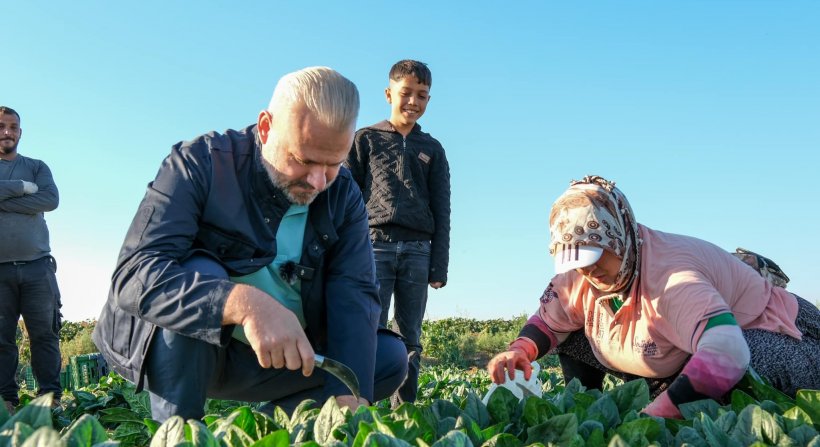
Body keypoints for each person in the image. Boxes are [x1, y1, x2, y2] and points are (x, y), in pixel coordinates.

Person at [92, 67, 407, 422]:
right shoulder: (199, 163)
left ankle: (264, 429)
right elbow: (134, 276)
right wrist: (242, 304)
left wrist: (349, 396)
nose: (318, 181)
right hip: (191, 353)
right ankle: (179, 431)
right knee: (200, 270)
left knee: (383, 360)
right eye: (303, 160)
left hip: (282, 358)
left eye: (333, 164)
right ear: (266, 127)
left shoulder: (343, 195)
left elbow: (355, 293)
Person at [487, 175, 819, 419]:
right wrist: (520, 350)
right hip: (678, 350)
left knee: (741, 382)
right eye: (577, 262)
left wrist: (656, 417)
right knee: (573, 332)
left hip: (773, 333)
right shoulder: (581, 273)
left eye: (595, 257)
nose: (589, 271)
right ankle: (587, 404)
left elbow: (728, 352)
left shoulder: (672, 278)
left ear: (619, 238)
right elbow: (549, 319)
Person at [345, 60, 451, 403]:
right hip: (373, 248)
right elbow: (346, 200)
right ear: (389, 94)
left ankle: (406, 412)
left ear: (428, 100)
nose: (413, 102)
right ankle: (362, 406)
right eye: (406, 93)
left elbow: (442, 210)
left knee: (410, 338)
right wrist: (345, 254)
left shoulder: (433, 149)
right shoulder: (365, 140)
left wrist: (439, 266)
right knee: (368, 331)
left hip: (419, 252)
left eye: (422, 95)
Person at [0, 106, 62, 414]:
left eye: (13, 127)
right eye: (2, 126)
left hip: (38, 266)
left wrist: (3, 200)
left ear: (20, 132)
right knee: (1, 340)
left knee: (44, 336)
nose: (7, 132)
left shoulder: (37, 166)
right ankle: (6, 401)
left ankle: (50, 399)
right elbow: (36, 198)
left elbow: (50, 200)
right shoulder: (27, 178)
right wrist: (21, 189)